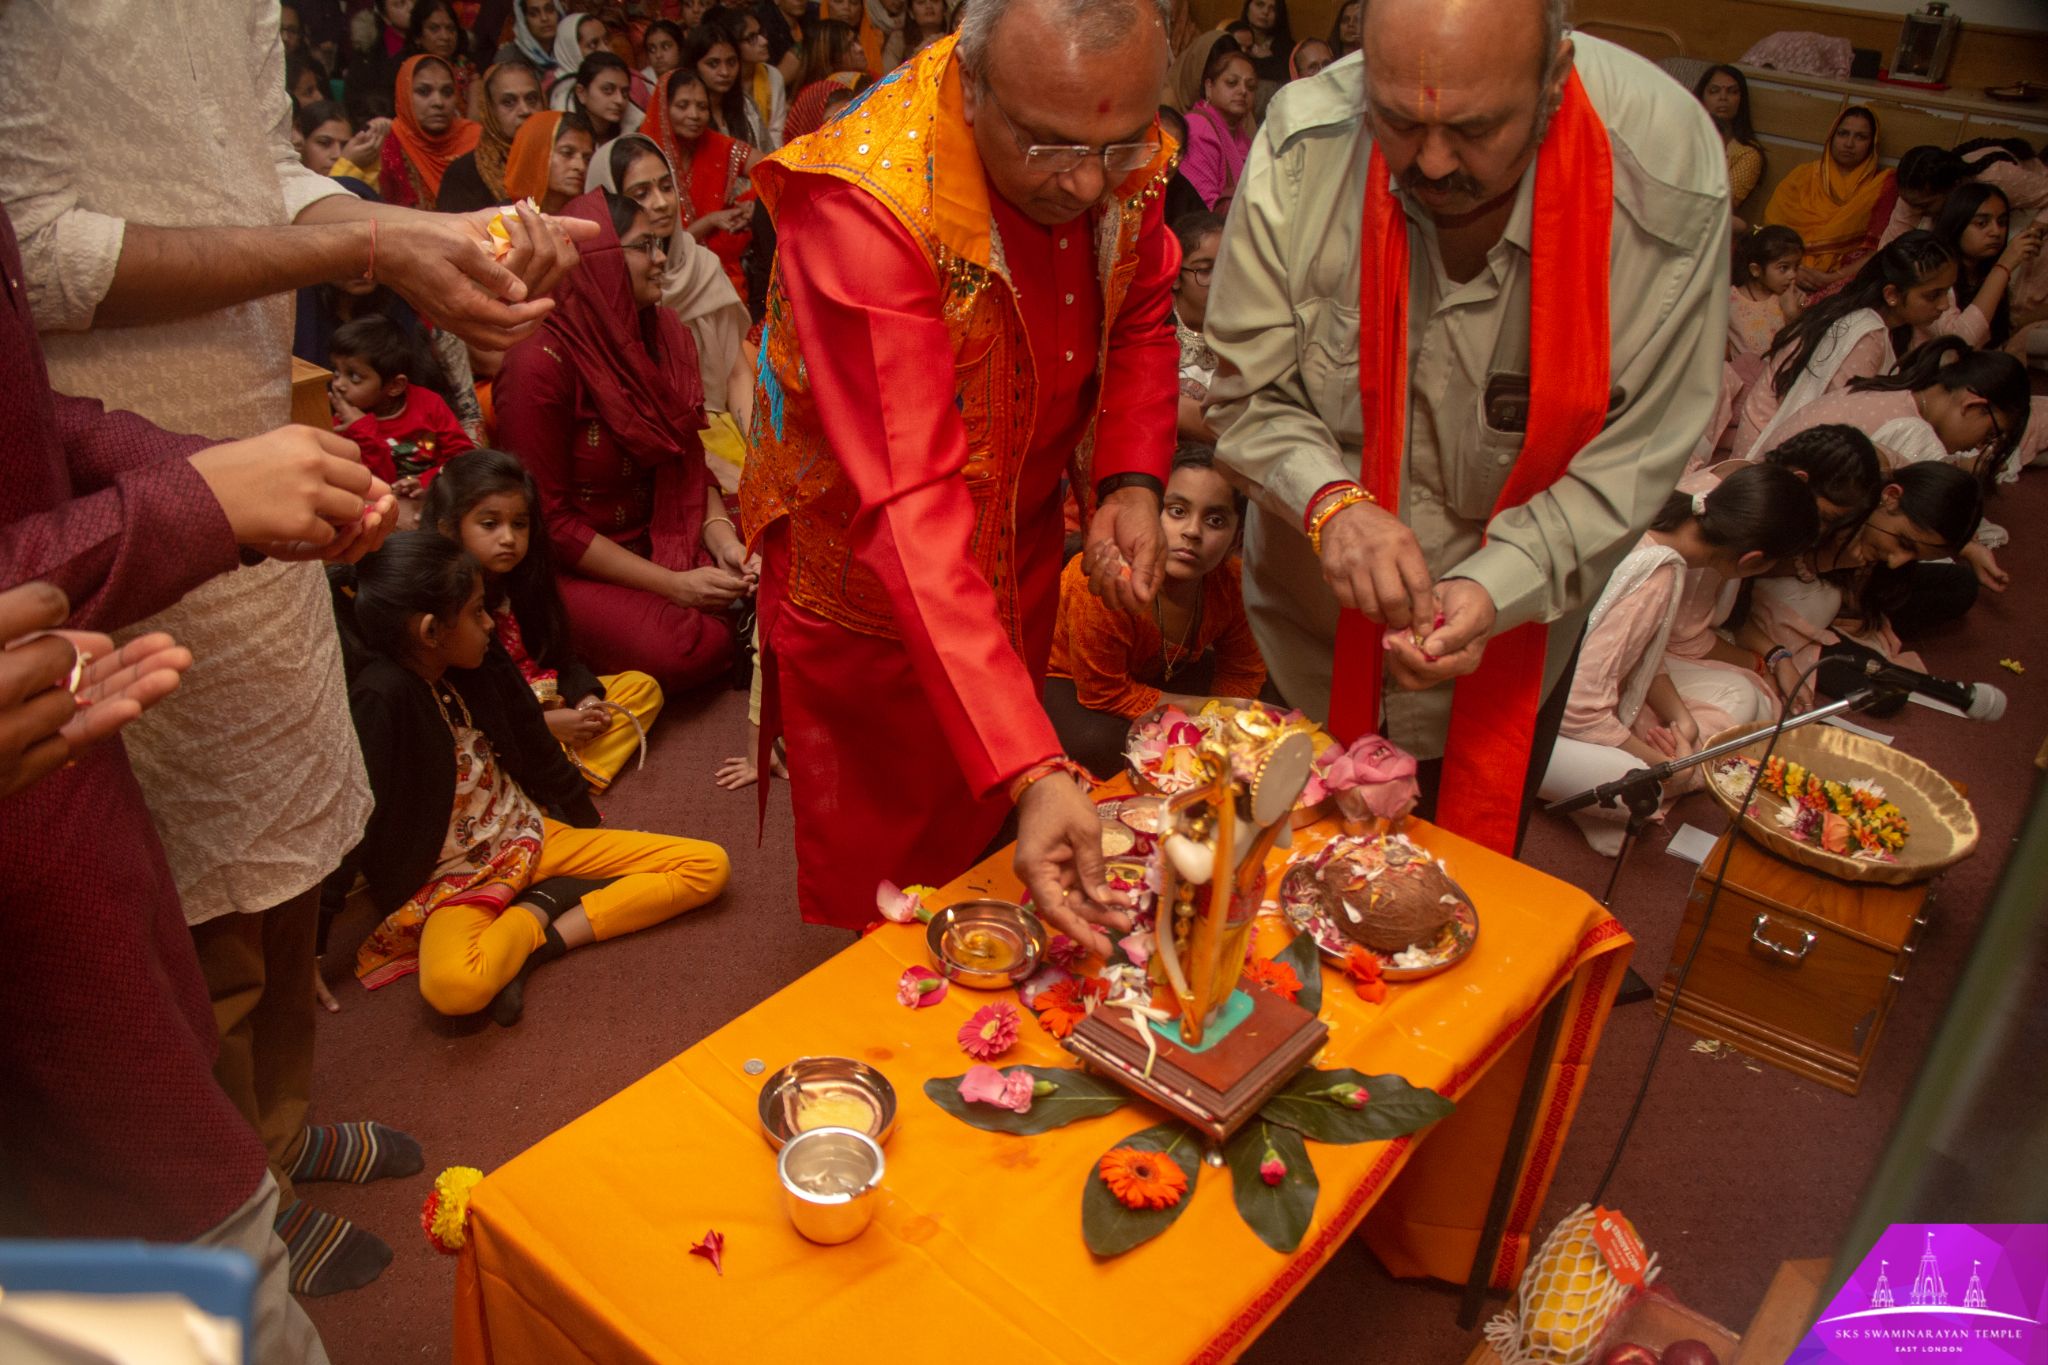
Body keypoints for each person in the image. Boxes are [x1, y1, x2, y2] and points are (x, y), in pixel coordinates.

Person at [0, 0, 593, 1313]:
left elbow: (250, 167)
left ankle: (281, 1124)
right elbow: (40, 261)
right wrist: (368, 243)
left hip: (246, 441)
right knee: (181, 894)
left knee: (289, 843)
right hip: (123, 506)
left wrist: (412, 239)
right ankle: (242, 1182)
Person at [0, 186, 401, 1357]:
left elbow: (29, 421)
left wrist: (205, 473)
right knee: (189, 1262)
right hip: (42, 915)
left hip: (65, 792)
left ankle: (277, 1147)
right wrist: (191, 506)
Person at [1204, 0, 1730, 855]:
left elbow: (1634, 454)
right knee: (1271, 900)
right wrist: (1331, 500)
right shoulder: (1307, 141)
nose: (1434, 162)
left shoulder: (1665, 180)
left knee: (1451, 913)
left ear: (1555, 79)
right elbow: (1244, 388)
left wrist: (1497, 582)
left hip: (1511, 645)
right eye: (1400, 122)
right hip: (1305, 632)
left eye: (1477, 129)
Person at [739, 0, 1178, 948]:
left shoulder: (1110, 140)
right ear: (972, 86)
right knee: (891, 904)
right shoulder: (867, 205)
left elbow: (1142, 306)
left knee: (995, 854)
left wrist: (1127, 482)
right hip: (875, 590)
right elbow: (908, 509)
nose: (1088, 182)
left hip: (1016, 548)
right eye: (1052, 147)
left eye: (1120, 148)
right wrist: (1034, 764)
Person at [343, 532, 727, 1022]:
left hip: (531, 836)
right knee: (455, 989)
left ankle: (543, 929)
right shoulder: (380, 697)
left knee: (707, 867)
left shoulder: (476, 661)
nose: (489, 625)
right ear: (430, 631)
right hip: (452, 881)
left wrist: (586, 826)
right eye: (479, 612)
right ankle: (544, 908)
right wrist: (313, 942)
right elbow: (349, 816)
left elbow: (533, 738)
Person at [496, 189, 746, 692]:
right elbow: (552, 526)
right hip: (573, 570)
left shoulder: (665, 335)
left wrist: (724, 544)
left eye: (661, 244)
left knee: (774, 548)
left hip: (660, 534)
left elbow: (687, 465)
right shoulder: (538, 361)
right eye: (644, 246)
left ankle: (734, 610)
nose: (661, 260)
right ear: (596, 261)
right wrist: (677, 587)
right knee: (683, 645)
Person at [1539, 463, 1819, 853]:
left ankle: (1595, 787)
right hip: (1528, 715)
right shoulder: (1657, 572)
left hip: (1561, 681)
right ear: (1752, 560)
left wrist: (1681, 721)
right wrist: (1668, 767)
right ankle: (1569, 792)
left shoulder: (1654, 516)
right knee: (1648, 789)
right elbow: (1577, 710)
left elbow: (1642, 652)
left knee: (1740, 694)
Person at [423, 450, 665, 789]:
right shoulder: (447, 605)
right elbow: (465, 710)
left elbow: (558, 656)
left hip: (548, 696)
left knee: (642, 688)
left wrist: (586, 700)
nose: (508, 538)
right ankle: (553, 778)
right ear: (449, 530)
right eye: (489, 524)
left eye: (519, 524)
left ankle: (555, 773)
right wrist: (544, 724)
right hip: (502, 725)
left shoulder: (525, 580)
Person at [1045, 445, 1268, 776]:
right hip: (1069, 679)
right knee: (1110, 745)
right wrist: (1206, 713)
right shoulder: (1102, 582)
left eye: (1215, 520)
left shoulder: (1233, 583)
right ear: (1147, 517)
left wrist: (1222, 725)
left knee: (1254, 718)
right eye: (1177, 511)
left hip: (1158, 673)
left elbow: (1243, 670)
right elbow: (1104, 694)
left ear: (1236, 540)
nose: (1192, 531)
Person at [1765, 337, 2029, 591]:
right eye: (1990, 435)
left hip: (1781, 513)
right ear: (1974, 406)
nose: (1979, 447)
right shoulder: (1915, 433)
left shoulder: (1895, 395)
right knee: (1951, 583)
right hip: (1776, 528)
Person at [1736, 461, 1983, 703]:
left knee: (1963, 585)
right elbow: (1746, 576)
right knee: (1884, 692)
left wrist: (1858, 599)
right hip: (1788, 606)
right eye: (1904, 543)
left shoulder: (1889, 531)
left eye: (1915, 555)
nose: (1897, 561)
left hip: (1839, 599)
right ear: (1891, 496)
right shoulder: (1833, 504)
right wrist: (1824, 563)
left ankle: (1845, 621)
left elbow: (1881, 577)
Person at [591, 133, 754, 483]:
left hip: (719, 428)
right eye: (641, 194)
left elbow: (736, 374)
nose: (663, 202)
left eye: (667, 187)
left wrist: (758, 450)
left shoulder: (702, 267)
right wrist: (710, 467)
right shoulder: (603, 293)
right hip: (654, 454)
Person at [1735, 231, 1956, 460]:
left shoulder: (1867, 319)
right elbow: (1838, 423)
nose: (1945, 305)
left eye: (1947, 292)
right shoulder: (1866, 336)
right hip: (1767, 441)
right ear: (1891, 294)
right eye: (1933, 295)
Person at [644, 70, 761, 299]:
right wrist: (710, 221)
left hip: (723, 279)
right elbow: (662, 246)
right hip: (664, 283)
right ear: (663, 109)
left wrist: (754, 205)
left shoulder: (718, 146)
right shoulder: (644, 157)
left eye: (702, 107)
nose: (694, 115)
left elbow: (775, 172)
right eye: (683, 105)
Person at [329, 315, 477, 495]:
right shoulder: (344, 422)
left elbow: (463, 458)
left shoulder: (429, 404)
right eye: (336, 373)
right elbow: (373, 483)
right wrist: (362, 431)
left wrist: (428, 482)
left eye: (354, 377)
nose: (338, 385)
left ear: (395, 386)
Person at [1764, 106, 1890, 294]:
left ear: (1873, 143)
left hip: (1847, 284)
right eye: (1843, 134)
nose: (1849, 143)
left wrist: (1834, 279)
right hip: (1787, 273)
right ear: (1831, 137)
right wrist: (1792, 270)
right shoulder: (1802, 176)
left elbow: (1882, 250)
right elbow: (1771, 233)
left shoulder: (1881, 187)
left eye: (1860, 137)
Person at [1931, 182, 2044, 349]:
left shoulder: (1981, 271)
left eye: (2002, 222)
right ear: (1956, 224)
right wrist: (2003, 266)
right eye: (1982, 224)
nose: (1996, 232)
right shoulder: (1934, 270)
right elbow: (1959, 343)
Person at [439, 59, 547, 213]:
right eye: (509, 102)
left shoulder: (562, 159)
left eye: (531, 99)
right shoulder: (464, 174)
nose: (525, 110)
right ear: (489, 111)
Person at [380, 54, 483, 208]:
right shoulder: (388, 141)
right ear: (404, 94)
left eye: (447, 92)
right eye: (424, 92)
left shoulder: (477, 139)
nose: (438, 102)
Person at [1180, 42, 1254, 212]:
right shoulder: (1197, 128)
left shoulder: (1242, 136)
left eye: (1250, 86)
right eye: (1231, 83)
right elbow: (1204, 205)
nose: (1243, 91)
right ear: (1209, 87)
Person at [1171, 210, 1223, 444]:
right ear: (1175, 277)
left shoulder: (1248, 328)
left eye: (1227, 267)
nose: (1219, 280)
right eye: (1204, 270)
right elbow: (1157, 405)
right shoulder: (1152, 327)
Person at [1693, 64, 1763, 228]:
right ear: (1702, 97)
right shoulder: (1682, 135)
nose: (1723, 97)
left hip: (1710, 223)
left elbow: (1720, 205)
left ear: (1741, 100)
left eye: (1732, 92)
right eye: (1714, 91)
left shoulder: (1748, 153)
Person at [1730, 225, 1806, 364]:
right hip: (1746, 378)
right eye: (1784, 268)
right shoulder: (1729, 300)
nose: (1793, 275)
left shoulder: (1794, 298)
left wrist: (1793, 316)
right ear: (1756, 270)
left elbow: (1800, 348)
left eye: (1796, 267)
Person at [716, 6, 789, 149]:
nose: (764, 41)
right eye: (752, 38)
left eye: (761, 33)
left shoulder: (773, 76)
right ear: (733, 45)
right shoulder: (721, 80)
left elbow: (776, 131)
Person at [686, 22, 770, 147]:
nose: (725, 72)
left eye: (731, 62)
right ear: (694, 66)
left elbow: (767, 154)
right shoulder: (687, 112)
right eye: (713, 64)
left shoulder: (746, 105)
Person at [783, 21, 867, 142]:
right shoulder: (814, 96)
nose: (860, 49)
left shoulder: (869, 79)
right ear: (831, 56)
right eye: (848, 46)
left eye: (857, 41)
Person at [504, 109, 597, 211]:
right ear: (536, 155)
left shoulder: (593, 217)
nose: (581, 166)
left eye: (587, 159)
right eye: (567, 153)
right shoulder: (500, 220)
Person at [1879, 145, 1968, 247]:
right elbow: (1890, 247)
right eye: (1910, 205)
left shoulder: (1978, 204)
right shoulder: (1911, 198)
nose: (1914, 211)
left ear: (1954, 188)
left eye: (1924, 206)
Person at [553, 51, 643, 142]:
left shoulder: (636, 131)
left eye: (624, 92)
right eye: (607, 90)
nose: (620, 100)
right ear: (581, 93)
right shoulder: (559, 137)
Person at [408, 0, 482, 111]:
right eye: (434, 28)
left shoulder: (469, 71)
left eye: (450, 29)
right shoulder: (408, 73)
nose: (445, 37)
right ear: (417, 37)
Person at [498, 0, 564, 76]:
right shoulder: (509, 58)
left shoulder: (570, 50)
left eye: (549, 10)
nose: (544, 18)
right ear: (523, 20)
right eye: (534, 14)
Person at [643, 16, 687, 80]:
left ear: (680, 48)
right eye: (652, 50)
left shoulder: (692, 78)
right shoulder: (643, 81)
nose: (658, 55)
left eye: (665, 47)